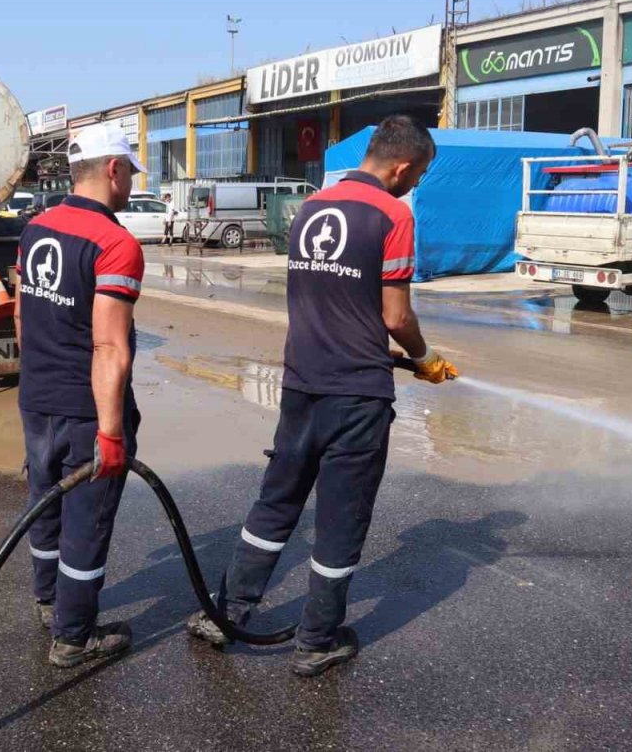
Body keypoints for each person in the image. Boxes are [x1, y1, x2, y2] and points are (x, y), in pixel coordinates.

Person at [187, 115, 457, 677]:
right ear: (402, 166)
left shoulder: (312, 206)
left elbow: (330, 299)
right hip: (355, 396)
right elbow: (394, 314)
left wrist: (364, 344)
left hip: (302, 382)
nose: (416, 185)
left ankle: (226, 614)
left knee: (277, 499)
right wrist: (424, 358)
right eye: (420, 174)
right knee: (341, 516)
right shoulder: (393, 214)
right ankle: (316, 640)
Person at [14, 123, 147, 668]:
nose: (133, 182)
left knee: (44, 504)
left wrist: (39, 380)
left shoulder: (34, 229)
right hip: (84, 409)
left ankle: (49, 601)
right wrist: (111, 432)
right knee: (86, 523)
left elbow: (23, 318)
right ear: (113, 170)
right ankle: (72, 636)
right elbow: (110, 347)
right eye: (130, 171)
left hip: (37, 399)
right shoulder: (116, 242)